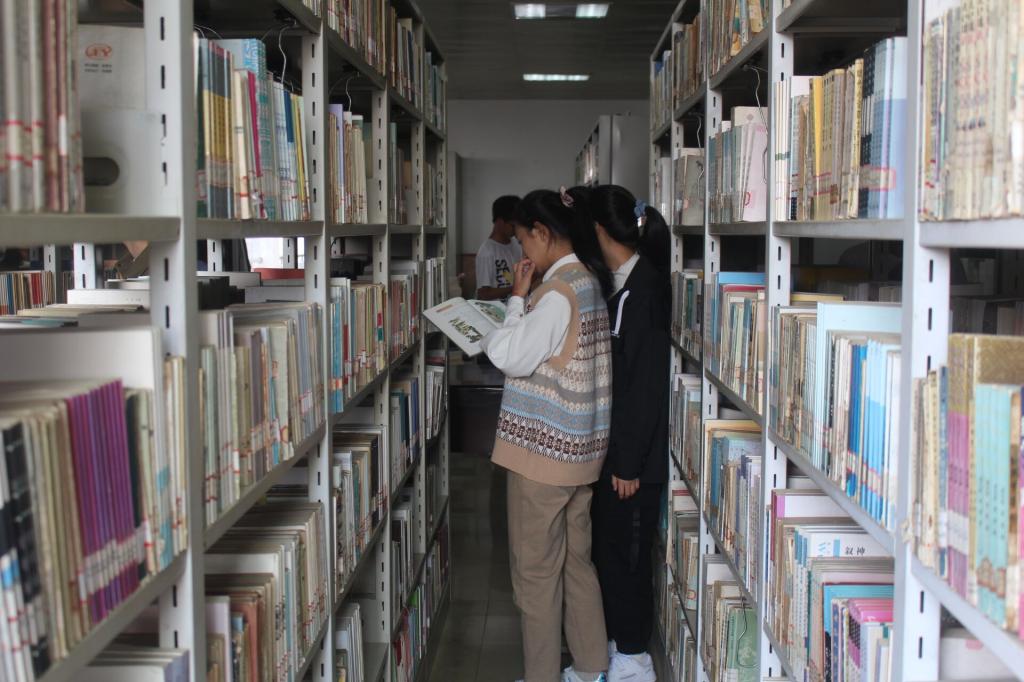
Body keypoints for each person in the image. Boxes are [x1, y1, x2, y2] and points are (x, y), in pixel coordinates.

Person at [480, 188, 613, 682]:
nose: (522, 252)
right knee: (576, 565)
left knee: (535, 577)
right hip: (579, 453)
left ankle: (542, 676)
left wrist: (516, 300)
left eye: (523, 241)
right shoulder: (589, 280)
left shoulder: (557, 293)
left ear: (542, 232)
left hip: (543, 456)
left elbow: (508, 355)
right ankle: (592, 667)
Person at [583, 184, 671, 682]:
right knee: (611, 554)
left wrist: (628, 462)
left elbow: (646, 383)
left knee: (628, 560)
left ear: (599, 230)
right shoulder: (622, 283)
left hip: (632, 465)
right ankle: (621, 646)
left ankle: (634, 657)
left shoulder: (645, 292)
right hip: (619, 454)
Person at [475, 194, 523, 301]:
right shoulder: (486, 252)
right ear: (500, 222)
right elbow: (484, 294)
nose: (516, 229)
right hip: (494, 310)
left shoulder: (516, 245)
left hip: (513, 306)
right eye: (513, 225)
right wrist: (516, 287)